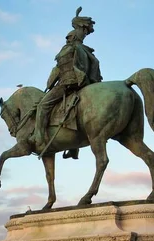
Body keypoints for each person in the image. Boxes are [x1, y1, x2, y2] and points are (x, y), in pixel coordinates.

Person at [31, 7, 103, 158]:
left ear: (70, 37)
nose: (67, 39)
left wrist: (50, 84)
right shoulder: (87, 52)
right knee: (75, 111)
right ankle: (73, 147)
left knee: (43, 105)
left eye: (67, 38)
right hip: (87, 84)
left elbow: (59, 69)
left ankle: (38, 137)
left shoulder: (68, 49)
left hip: (68, 83)